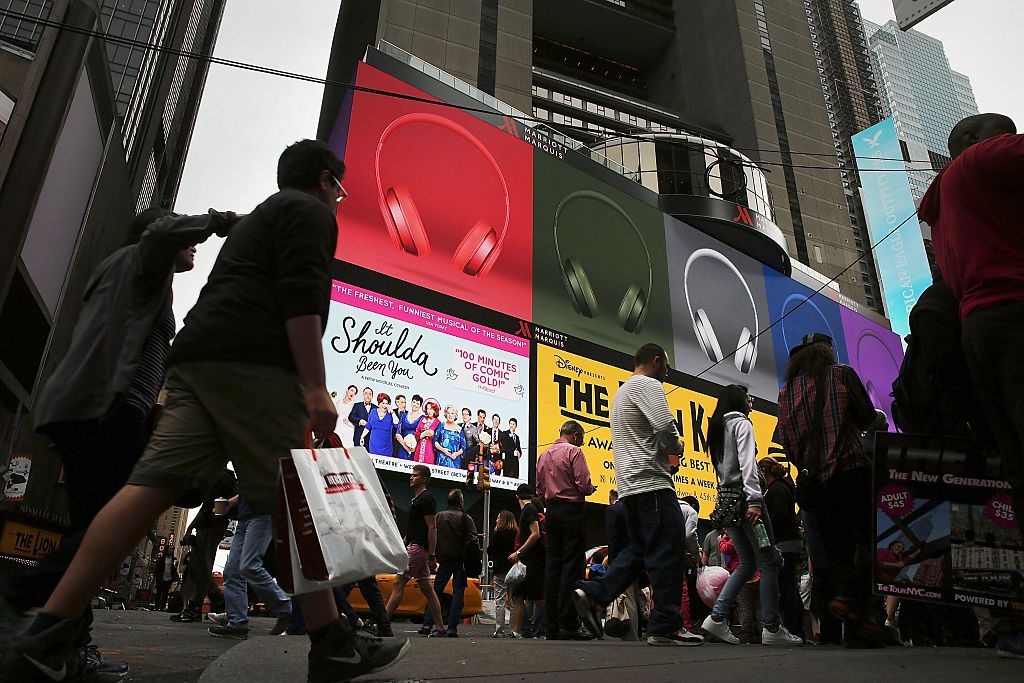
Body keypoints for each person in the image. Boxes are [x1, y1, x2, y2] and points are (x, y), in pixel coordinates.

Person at [0, 140, 408, 683]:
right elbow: (301, 296)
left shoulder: (255, 222)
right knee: (296, 504)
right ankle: (333, 644)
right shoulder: (309, 212)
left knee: (148, 487)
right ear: (327, 181)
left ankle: (47, 634)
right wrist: (315, 386)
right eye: (340, 186)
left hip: (193, 361)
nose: (339, 196)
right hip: (256, 365)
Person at [0, 207, 237, 678]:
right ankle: (22, 598)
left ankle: (63, 650)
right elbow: (165, 234)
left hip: (97, 409)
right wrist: (221, 220)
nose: (193, 246)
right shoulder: (142, 261)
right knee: (107, 533)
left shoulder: (138, 275)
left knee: (92, 530)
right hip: (108, 411)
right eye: (185, 238)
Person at [919, 114, 1024, 560]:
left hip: (979, 327)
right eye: (1009, 134)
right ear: (975, 139)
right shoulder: (982, 159)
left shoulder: (942, 205)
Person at [573, 343, 703, 646]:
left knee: (638, 552)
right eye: (667, 369)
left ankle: (594, 594)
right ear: (656, 362)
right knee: (669, 549)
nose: (667, 376)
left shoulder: (622, 393)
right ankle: (666, 626)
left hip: (629, 488)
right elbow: (666, 429)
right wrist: (679, 446)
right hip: (654, 484)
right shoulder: (648, 385)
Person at [775, 333, 878, 648]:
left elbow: (789, 447)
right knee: (869, 541)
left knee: (836, 553)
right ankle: (853, 608)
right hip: (852, 472)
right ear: (827, 353)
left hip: (816, 485)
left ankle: (853, 628)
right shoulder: (842, 374)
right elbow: (866, 417)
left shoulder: (786, 393)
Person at [699, 384, 801, 647]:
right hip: (749, 505)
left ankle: (718, 617)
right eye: (747, 397)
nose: (751, 401)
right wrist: (756, 500)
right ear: (737, 401)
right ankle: (771, 628)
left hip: (728, 505)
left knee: (746, 563)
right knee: (767, 561)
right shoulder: (741, 423)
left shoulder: (717, 428)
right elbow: (747, 463)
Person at [536, 420, 596, 639]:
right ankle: (569, 625)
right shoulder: (574, 452)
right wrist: (591, 488)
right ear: (576, 435)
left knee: (553, 567)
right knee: (573, 566)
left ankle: (551, 626)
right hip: (572, 511)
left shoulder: (544, 455)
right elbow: (583, 485)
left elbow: (540, 489)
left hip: (551, 511)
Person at [207, 494, 292, 640]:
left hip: (262, 514)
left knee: (249, 566)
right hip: (244, 518)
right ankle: (237, 623)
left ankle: (286, 608)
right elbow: (249, 486)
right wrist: (231, 502)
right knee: (232, 572)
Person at [387, 464, 446, 637]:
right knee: (427, 588)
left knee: (398, 583)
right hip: (415, 546)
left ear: (424, 479)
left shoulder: (426, 499)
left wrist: (431, 555)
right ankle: (441, 627)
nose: (411, 477)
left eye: (415, 475)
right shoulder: (418, 499)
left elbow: (432, 528)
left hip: (418, 548)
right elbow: (415, 528)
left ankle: (384, 623)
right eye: (411, 475)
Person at [173, 469, 237, 623]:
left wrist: (190, 528)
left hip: (211, 526)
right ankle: (216, 599)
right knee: (198, 566)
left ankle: (197, 607)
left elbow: (208, 507)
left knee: (202, 567)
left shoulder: (220, 478)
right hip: (212, 525)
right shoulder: (225, 478)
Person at [758, 457, 804, 641]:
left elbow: (778, 516)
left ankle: (794, 627)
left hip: (783, 542)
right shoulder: (781, 488)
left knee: (787, 586)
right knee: (788, 585)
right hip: (788, 541)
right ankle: (793, 627)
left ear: (764, 471)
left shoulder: (776, 490)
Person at [421, 489, 477, 637]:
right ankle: (452, 627)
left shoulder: (439, 517)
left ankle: (427, 624)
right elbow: (473, 540)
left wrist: (432, 556)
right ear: (460, 501)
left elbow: (431, 534)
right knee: (458, 592)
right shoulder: (466, 518)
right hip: (460, 560)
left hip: (443, 559)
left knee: (436, 592)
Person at [603, 489, 640, 641]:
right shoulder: (636, 511)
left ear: (611, 497)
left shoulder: (613, 510)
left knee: (625, 598)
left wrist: (612, 563)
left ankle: (631, 636)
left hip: (621, 560)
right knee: (633, 598)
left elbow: (613, 538)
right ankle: (635, 633)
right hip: (636, 560)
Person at [509, 484, 545, 638]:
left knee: (538, 598)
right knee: (518, 596)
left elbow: (535, 534)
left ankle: (557, 624)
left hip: (532, 560)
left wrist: (518, 551)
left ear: (517, 496)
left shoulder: (529, 510)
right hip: (527, 560)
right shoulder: (527, 510)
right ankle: (517, 631)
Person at [488, 510, 518, 638]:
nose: (496, 520)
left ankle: (499, 630)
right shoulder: (517, 533)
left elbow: (491, 550)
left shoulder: (498, 533)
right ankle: (513, 629)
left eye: (498, 518)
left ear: (503, 520)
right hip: (513, 570)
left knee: (499, 600)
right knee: (513, 601)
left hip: (500, 569)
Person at [677, 496, 700, 633]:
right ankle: (686, 626)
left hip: (656, 552)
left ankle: (660, 626)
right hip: (674, 553)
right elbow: (689, 535)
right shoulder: (690, 511)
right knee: (682, 590)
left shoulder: (669, 507)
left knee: (661, 589)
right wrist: (695, 556)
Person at [363, 392, 399, 456]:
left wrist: (392, 412)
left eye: (387, 403)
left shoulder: (390, 414)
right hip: (373, 445)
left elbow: (397, 425)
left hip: (386, 447)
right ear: (379, 403)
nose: (385, 405)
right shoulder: (373, 412)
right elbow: (368, 426)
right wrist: (362, 437)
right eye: (383, 403)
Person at [413, 400, 441, 464]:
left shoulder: (438, 423)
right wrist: (422, 434)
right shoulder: (422, 419)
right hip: (419, 448)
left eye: (431, 409)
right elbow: (416, 433)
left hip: (430, 450)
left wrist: (433, 435)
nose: (429, 411)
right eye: (427, 408)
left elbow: (439, 439)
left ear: (435, 410)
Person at [397, 394, 424, 460]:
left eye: (417, 403)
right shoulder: (404, 415)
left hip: (415, 449)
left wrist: (413, 447)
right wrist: (405, 447)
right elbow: (398, 433)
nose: (415, 404)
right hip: (402, 446)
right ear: (411, 402)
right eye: (414, 402)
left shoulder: (422, 418)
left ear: (420, 406)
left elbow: (421, 434)